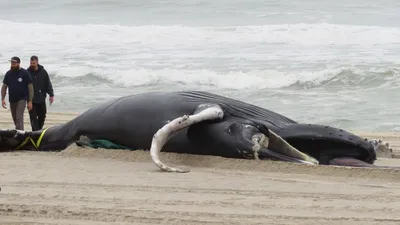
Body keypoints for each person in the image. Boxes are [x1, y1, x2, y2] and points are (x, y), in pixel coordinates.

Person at [1, 56, 34, 130]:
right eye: (11, 63)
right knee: (15, 118)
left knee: (19, 117)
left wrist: (30, 101)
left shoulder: (25, 73)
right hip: (12, 99)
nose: (12, 64)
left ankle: (21, 135)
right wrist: (2, 99)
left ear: (18, 63)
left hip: (22, 99)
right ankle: (18, 132)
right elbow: (4, 87)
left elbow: (30, 87)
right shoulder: (8, 74)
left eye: (14, 63)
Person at [27, 55, 54, 131]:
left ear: (37, 62)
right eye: (31, 63)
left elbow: (48, 83)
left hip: (41, 98)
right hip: (31, 100)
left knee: (42, 116)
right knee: (33, 117)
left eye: (33, 63)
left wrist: (51, 94)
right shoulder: (27, 72)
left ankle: (38, 130)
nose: (32, 65)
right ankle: (35, 132)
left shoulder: (43, 72)